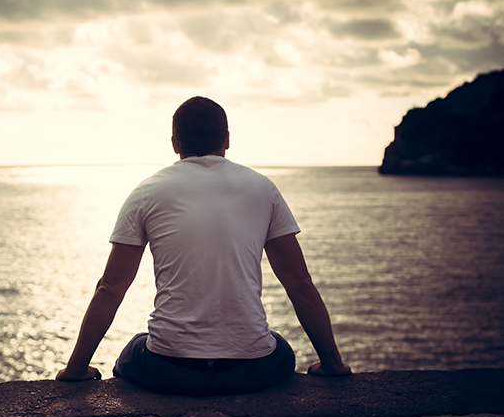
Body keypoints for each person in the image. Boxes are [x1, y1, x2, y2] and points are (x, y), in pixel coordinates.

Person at [56, 96, 351, 395]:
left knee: (134, 348)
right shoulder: (263, 188)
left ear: (175, 143)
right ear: (227, 139)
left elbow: (111, 287)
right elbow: (299, 283)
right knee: (280, 346)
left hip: (169, 370)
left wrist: (76, 369)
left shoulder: (146, 191)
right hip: (250, 370)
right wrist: (332, 365)